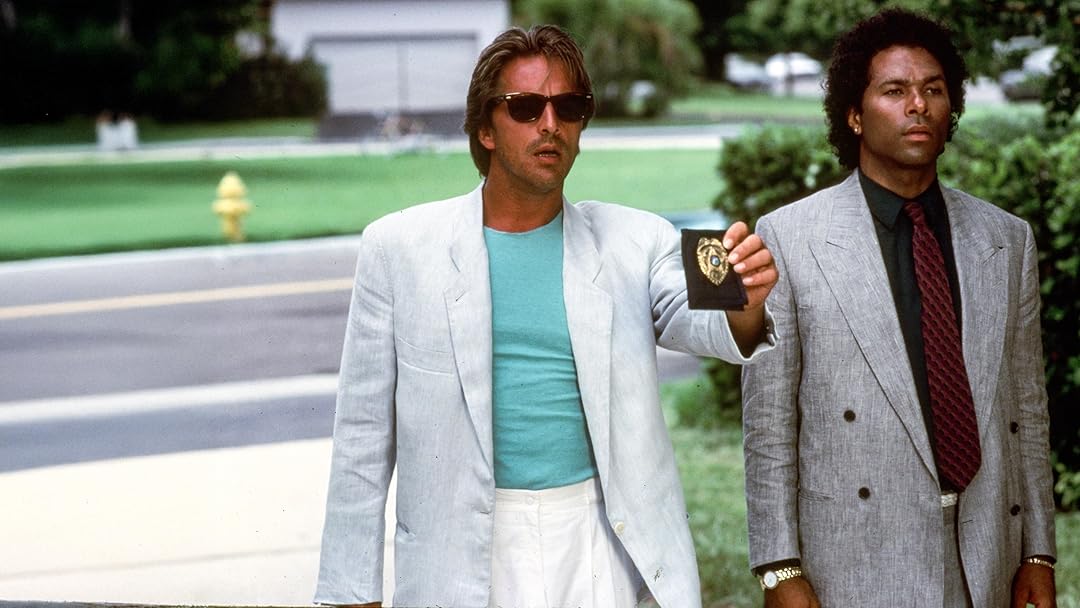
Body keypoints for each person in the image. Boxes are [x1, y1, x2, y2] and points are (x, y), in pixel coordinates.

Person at [314, 24, 778, 608]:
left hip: (599, 542)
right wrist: (351, 594)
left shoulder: (638, 239)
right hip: (460, 556)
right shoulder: (398, 249)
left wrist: (746, 304)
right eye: (526, 107)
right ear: (485, 129)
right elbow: (361, 439)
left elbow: (702, 322)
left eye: (569, 107)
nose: (550, 124)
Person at [741, 8, 1057, 608]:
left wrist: (1038, 553)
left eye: (933, 90)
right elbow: (769, 424)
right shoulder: (789, 238)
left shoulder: (1006, 239)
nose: (918, 105)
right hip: (854, 557)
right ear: (854, 115)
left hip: (987, 551)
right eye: (894, 91)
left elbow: (1027, 411)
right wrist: (779, 568)